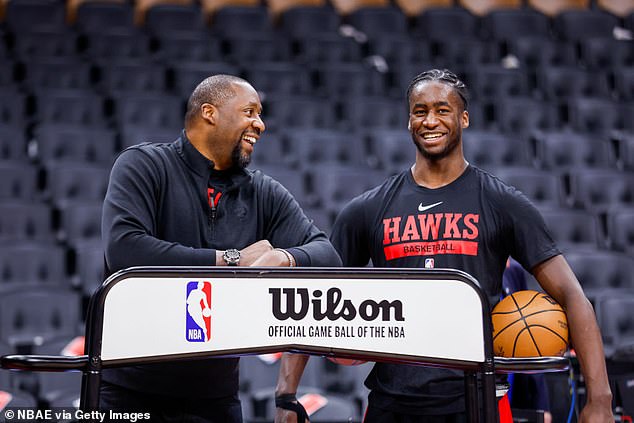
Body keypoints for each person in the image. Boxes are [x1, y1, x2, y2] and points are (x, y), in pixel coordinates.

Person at [275, 69, 613, 423]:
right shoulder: (368, 209)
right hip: (392, 401)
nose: (430, 120)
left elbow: (572, 295)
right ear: (409, 121)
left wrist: (600, 399)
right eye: (420, 111)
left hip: (478, 399)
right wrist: (286, 396)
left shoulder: (502, 202)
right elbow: (311, 298)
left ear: (463, 118)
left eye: (442, 109)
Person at [101, 74, 342, 423]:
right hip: (128, 390)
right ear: (210, 112)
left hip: (215, 397)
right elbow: (126, 251)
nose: (259, 124)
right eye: (250, 112)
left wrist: (287, 257)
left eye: (260, 115)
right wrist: (231, 260)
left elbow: (328, 257)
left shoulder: (263, 192)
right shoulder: (144, 165)